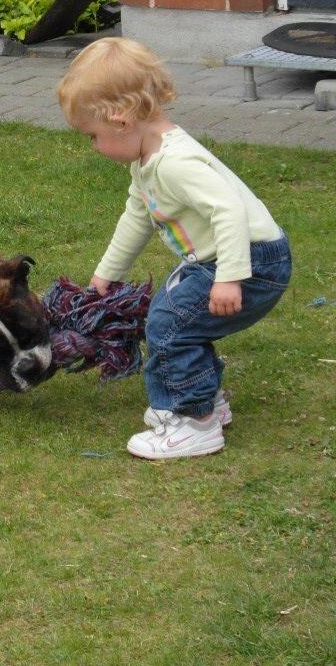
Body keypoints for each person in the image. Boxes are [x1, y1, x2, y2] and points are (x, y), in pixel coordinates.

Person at [57, 37, 292, 459]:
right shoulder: (147, 162)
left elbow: (228, 211)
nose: (93, 146)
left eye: (93, 135)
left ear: (120, 121)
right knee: (175, 316)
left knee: (170, 325)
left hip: (252, 261)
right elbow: (137, 216)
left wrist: (230, 277)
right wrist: (107, 273)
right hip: (220, 259)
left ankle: (194, 420)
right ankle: (205, 399)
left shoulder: (175, 163)